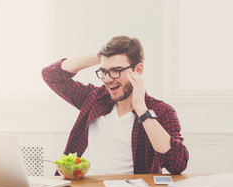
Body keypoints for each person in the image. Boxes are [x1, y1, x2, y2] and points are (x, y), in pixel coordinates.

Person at [42, 36, 188, 175]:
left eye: (116, 71)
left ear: (138, 70)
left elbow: (177, 165)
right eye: (104, 71)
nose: (107, 79)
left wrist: (142, 112)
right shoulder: (94, 98)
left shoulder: (162, 111)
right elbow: (50, 75)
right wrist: (101, 56)